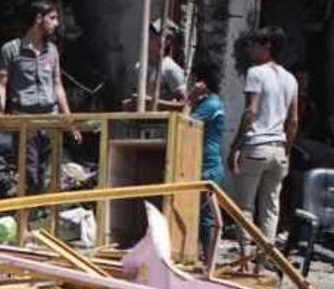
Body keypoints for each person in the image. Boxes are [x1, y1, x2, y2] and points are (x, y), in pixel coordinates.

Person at [0, 0, 75, 193]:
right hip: (25, 120)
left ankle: (46, 216)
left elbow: (57, 86)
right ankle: (27, 217)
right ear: (39, 19)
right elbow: (1, 85)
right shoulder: (11, 50)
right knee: (29, 172)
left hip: (51, 119)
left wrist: (68, 119)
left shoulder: (52, 51)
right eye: (53, 18)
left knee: (50, 173)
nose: (56, 24)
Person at [229, 26, 298, 245]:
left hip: (256, 146)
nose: (251, 49)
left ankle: (245, 260)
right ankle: (262, 260)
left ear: (267, 46)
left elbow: (251, 111)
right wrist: (286, 152)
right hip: (279, 148)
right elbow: (293, 121)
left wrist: (235, 147)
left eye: (255, 44)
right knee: (271, 208)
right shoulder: (291, 79)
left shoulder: (255, 73)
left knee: (245, 206)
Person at [187, 61, 226, 252]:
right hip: (205, 165)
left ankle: (208, 259)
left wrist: (190, 98)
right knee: (203, 216)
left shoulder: (210, 104)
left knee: (206, 218)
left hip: (208, 168)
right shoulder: (210, 103)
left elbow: (185, 125)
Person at [127, 21, 186, 112]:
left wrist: (150, 102)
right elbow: (136, 98)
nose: (149, 37)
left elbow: (183, 106)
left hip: (162, 124)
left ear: (167, 41)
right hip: (142, 123)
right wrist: (130, 104)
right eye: (149, 33)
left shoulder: (170, 68)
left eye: (155, 35)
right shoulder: (139, 67)